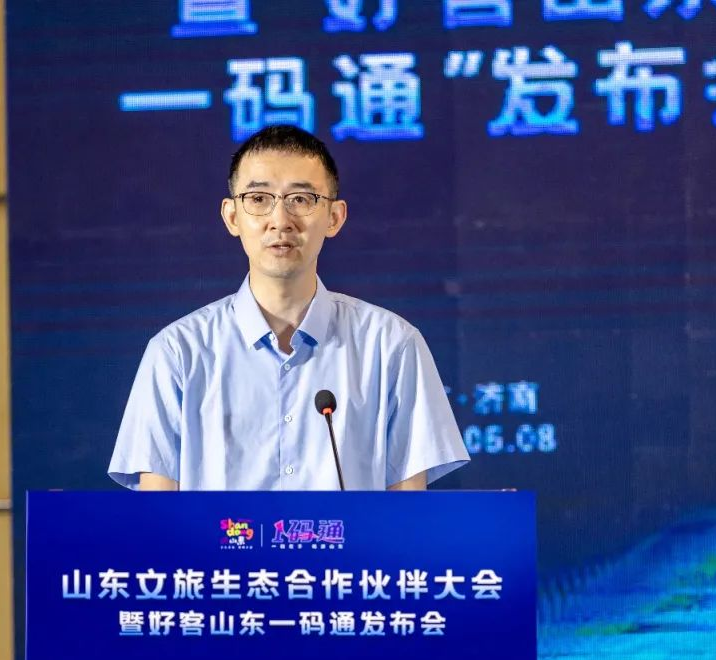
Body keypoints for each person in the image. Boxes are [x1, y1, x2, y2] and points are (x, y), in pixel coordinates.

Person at [108, 125, 467, 491]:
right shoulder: (177, 352)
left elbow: (409, 513)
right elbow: (156, 516)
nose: (280, 221)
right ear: (232, 217)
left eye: (301, 199)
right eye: (259, 198)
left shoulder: (391, 345)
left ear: (334, 217)